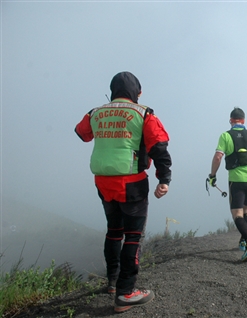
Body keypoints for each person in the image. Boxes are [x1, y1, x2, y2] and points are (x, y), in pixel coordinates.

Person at [75, 71, 172, 313]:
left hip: (103, 182)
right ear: (137, 93)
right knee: (133, 236)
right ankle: (126, 293)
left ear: (112, 91)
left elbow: (81, 133)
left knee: (114, 231)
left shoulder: (95, 112)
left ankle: (112, 281)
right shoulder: (144, 114)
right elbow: (158, 146)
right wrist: (164, 179)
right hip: (132, 183)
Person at [208, 107, 247, 262]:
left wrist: (212, 175)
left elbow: (218, 157)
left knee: (236, 213)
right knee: (246, 209)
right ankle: (243, 241)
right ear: (243, 120)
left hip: (236, 179)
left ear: (231, 121)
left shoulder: (225, 136)